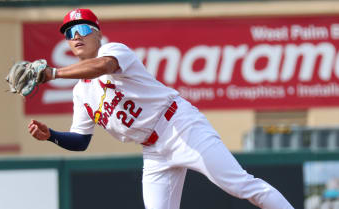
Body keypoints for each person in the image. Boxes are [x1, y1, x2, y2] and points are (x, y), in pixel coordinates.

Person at [28, 8, 294, 209]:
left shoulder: (113, 50)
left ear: (98, 33)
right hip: (153, 151)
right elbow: (81, 140)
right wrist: (51, 134)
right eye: (69, 33)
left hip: (180, 126)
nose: (76, 37)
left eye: (83, 29)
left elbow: (103, 67)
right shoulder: (80, 93)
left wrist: (52, 73)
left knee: (240, 185)